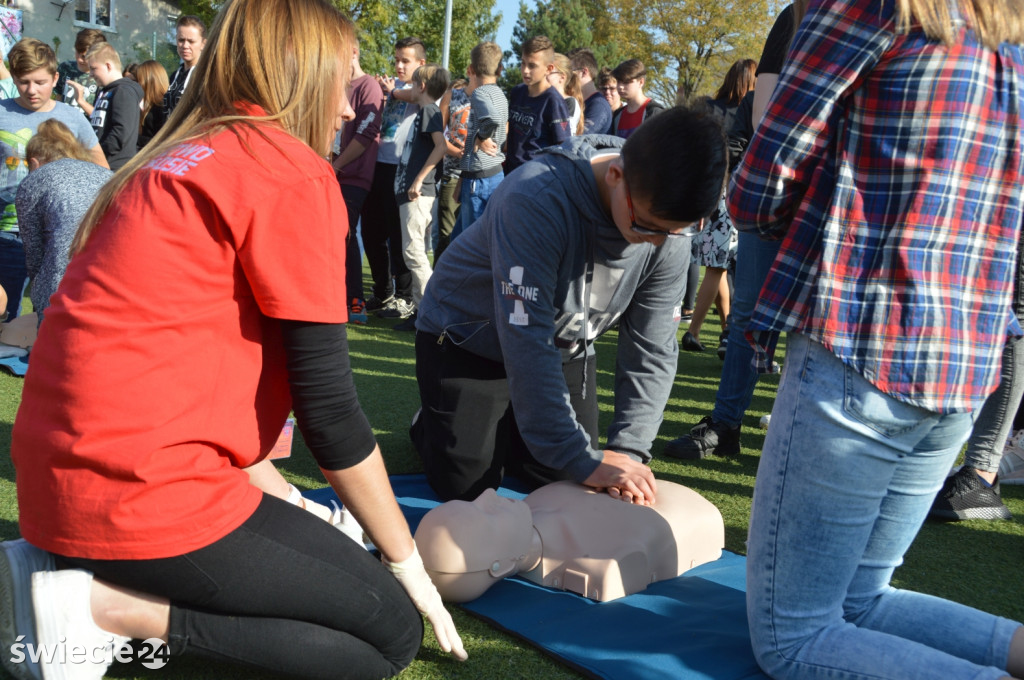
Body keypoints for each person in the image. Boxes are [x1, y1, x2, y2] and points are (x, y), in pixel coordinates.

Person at [0, 3, 467, 679]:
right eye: (339, 84)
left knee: (326, 573)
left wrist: (297, 506)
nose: (345, 110)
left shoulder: (166, 163)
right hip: (139, 494)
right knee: (389, 633)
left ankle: (63, 568)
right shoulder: (289, 172)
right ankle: (104, 609)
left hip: (58, 481)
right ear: (297, 78)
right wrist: (405, 558)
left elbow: (181, 377)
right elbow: (331, 414)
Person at [730, 0, 1024, 676]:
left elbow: (761, 185)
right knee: (861, 601)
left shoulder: (876, 6)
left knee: (792, 641)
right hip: (966, 363)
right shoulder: (1009, 33)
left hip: (863, 345)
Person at [411, 106, 727, 505]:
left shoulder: (669, 228)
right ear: (616, 176)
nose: (659, 243)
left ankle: (507, 429)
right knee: (467, 488)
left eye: (674, 232)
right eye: (647, 226)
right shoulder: (536, 196)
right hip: (468, 339)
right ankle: (431, 423)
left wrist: (629, 453)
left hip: (566, 346)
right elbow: (526, 339)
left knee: (571, 481)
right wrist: (580, 456)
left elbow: (652, 349)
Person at [663, 3, 802, 460]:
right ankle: (726, 424)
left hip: (842, 195)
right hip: (779, 192)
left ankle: (800, 433)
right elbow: (766, 116)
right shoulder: (794, 15)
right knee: (747, 314)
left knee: (816, 325)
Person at [415, 480, 724, 602]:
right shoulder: (596, 562)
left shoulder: (540, 499)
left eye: (473, 503)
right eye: (487, 517)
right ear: (498, 566)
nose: (489, 495)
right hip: (684, 513)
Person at [0, 38, 105, 323]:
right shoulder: (1, 113)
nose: (32, 90)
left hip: (57, 232)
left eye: (40, 81)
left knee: (49, 313)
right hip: (6, 229)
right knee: (6, 313)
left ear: (55, 78)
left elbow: (101, 168)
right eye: (23, 82)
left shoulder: (72, 117)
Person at [677, 58, 757, 357]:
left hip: (707, 190)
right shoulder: (746, 113)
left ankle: (726, 330)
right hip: (730, 194)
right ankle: (694, 331)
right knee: (717, 266)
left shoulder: (707, 108)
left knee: (717, 267)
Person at [15, 119, 111, 324]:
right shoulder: (107, 175)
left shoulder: (34, 180)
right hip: (113, 276)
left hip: (62, 283)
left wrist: (39, 295)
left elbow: (34, 255)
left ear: (34, 163)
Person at [360, 36, 425, 320]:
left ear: (421, 64)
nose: (399, 65)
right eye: (396, 59)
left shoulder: (425, 85)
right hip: (376, 165)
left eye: (405, 61)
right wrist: (382, 90)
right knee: (372, 234)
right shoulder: (390, 85)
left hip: (403, 170)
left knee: (400, 238)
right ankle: (383, 291)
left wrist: (392, 92)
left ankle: (405, 298)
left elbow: (423, 96)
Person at [392, 63, 449, 331]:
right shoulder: (426, 111)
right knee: (412, 251)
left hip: (419, 192)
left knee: (414, 252)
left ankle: (429, 314)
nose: (410, 89)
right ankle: (420, 312)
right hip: (412, 192)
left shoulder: (428, 110)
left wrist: (417, 179)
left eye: (413, 84)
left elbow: (440, 146)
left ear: (422, 87)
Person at [333, 40, 385, 326]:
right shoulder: (334, 83)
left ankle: (356, 300)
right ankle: (334, 296)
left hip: (353, 177)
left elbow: (366, 136)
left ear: (353, 53)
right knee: (331, 233)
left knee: (347, 232)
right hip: (332, 173)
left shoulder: (369, 87)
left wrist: (336, 166)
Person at [453, 40, 507, 242]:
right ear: (500, 69)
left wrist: (480, 137)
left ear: (472, 69)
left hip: (480, 178)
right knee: (458, 241)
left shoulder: (480, 93)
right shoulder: (501, 94)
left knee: (473, 244)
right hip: (486, 175)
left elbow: (490, 118)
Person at [505, 35, 570, 174]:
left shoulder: (553, 101)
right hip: (510, 174)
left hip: (535, 178)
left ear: (549, 68)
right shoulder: (517, 92)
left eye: (532, 66)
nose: (525, 70)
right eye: (523, 63)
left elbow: (564, 147)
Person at [86, 43, 144, 171]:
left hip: (115, 168)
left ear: (108, 66)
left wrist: (97, 154)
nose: (90, 74)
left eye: (93, 68)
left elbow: (121, 131)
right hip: (100, 164)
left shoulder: (123, 91)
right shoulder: (104, 91)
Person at [434, 78, 470, 259]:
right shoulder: (451, 97)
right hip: (452, 173)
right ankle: (439, 282)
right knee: (446, 234)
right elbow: (437, 135)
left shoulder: (491, 97)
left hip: (477, 175)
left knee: (470, 233)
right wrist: (457, 152)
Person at [162, 15, 207, 120]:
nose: (185, 45)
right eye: (181, 40)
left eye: (191, 41)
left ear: (203, 44)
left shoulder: (206, 76)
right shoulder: (175, 76)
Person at [55, 28, 106, 117]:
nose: (79, 59)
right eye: (77, 52)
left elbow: (99, 116)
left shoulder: (101, 78)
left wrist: (81, 101)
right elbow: (58, 98)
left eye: (84, 56)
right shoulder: (65, 68)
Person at [610, 60, 663, 138]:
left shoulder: (654, 113)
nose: (620, 86)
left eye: (626, 82)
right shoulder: (618, 115)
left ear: (641, 82)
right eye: (618, 82)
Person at [568, 48, 613, 135]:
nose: (565, 77)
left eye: (570, 72)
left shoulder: (599, 106)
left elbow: (577, 139)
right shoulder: (578, 101)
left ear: (584, 72)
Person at [135, 60, 170, 151]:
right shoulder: (151, 105)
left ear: (149, 81)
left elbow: (160, 142)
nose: (136, 84)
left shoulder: (162, 108)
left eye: (138, 80)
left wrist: (133, 138)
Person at [548, 53, 585, 136]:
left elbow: (564, 135)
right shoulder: (542, 100)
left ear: (562, 77)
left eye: (549, 72)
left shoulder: (569, 103)